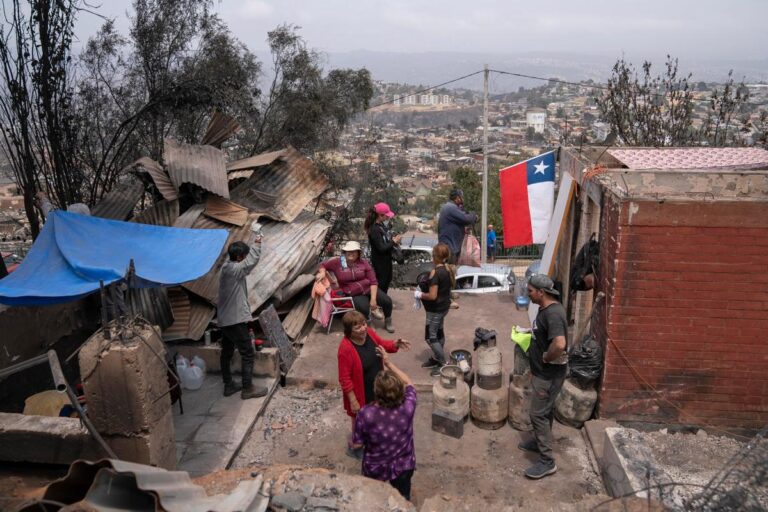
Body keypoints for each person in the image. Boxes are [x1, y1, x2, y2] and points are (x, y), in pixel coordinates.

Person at [338, 311, 410, 458]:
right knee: (359, 420)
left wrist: (395, 343)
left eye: (364, 324)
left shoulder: (369, 334)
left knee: (374, 417)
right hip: (360, 392)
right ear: (349, 331)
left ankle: (371, 441)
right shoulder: (345, 349)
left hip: (376, 388)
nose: (363, 329)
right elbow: (344, 378)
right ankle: (356, 446)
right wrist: (353, 400)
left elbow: (382, 343)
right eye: (357, 328)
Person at [352, 345, 417, 501]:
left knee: (375, 500)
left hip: (375, 467)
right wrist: (389, 363)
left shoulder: (366, 414)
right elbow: (409, 382)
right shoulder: (408, 406)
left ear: (376, 392)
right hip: (403, 465)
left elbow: (357, 445)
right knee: (402, 499)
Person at [519, 274, 568, 479]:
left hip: (549, 375)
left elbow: (559, 343)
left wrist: (547, 357)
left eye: (530, 291)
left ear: (541, 292)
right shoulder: (545, 309)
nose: (527, 294)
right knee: (544, 411)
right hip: (542, 372)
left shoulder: (553, 314)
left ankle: (547, 462)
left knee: (537, 414)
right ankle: (540, 442)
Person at [217, 222, 267, 400]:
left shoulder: (226, 267)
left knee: (227, 353)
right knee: (247, 353)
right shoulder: (236, 269)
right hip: (234, 320)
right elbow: (252, 260)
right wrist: (258, 238)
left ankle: (229, 385)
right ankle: (248, 388)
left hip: (224, 320)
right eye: (243, 256)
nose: (245, 259)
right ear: (239, 257)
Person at [320, 241, 396, 333]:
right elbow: (323, 265)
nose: (351, 253)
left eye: (354, 251)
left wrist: (373, 299)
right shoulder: (339, 262)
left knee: (387, 301)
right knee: (363, 306)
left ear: (358, 253)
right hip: (353, 292)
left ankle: (388, 320)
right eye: (348, 251)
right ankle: (368, 321)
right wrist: (322, 272)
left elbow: (373, 281)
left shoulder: (363, 263)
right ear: (345, 252)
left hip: (368, 288)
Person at [413, 243, 455, 376]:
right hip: (443, 308)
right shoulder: (448, 270)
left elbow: (432, 296)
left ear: (435, 257)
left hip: (435, 310)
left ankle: (443, 363)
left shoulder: (435, 273)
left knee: (430, 337)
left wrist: (419, 294)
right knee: (439, 332)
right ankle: (437, 358)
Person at [364, 202, 402, 294]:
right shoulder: (374, 229)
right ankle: (379, 304)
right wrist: (393, 242)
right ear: (380, 215)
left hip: (386, 262)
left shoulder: (381, 226)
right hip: (380, 265)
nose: (388, 217)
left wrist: (392, 240)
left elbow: (384, 242)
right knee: (381, 288)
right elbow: (381, 247)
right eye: (386, 215)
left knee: (386, 284)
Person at [437, 189, 478, 263]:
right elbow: (466, 219)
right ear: (457, 198)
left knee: (451, 269)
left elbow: (453, 224)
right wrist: (473, 216)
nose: (462, 199)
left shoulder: (449, 207)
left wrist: (463, 229)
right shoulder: (451, 207)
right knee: (450, 270)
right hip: (449, 247)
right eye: (461, 197)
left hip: (449, 246)